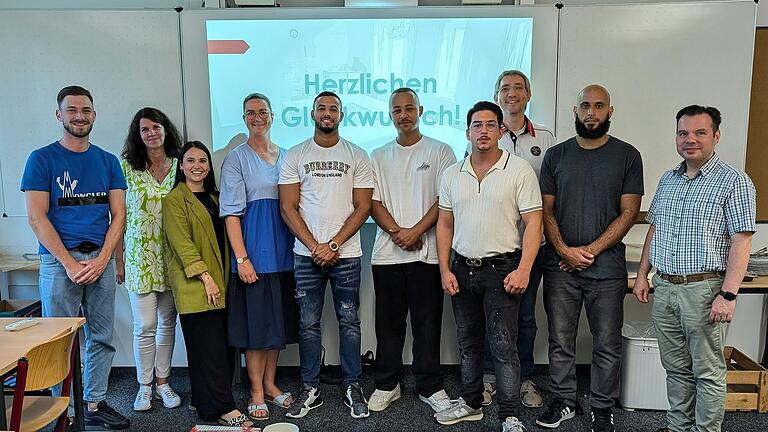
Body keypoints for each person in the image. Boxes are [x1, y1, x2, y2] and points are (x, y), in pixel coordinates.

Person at [634, 105, 756, 432]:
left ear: (716, 136)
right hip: (665, 287)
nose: (691, 140)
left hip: (704, 291)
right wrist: (644, 274)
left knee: (707, 371)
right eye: (683, 133)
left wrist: (728, 295)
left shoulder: (734, 181)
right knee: (675, 369)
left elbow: (741, 242)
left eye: (700, 133)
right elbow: (655, 228)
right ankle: (678, 427)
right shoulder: (669, 179)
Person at [20, 85, 130, 430]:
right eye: (72, 110)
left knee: (101, 337)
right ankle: (62, 409)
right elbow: (38, 217)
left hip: (100, 257)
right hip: (58, 262)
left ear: (94, 115)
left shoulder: (108, 161)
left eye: (86, 110)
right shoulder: (42, 159)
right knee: (59, 340)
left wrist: (104, 261)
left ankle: (94, 402)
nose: (79, 116)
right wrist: (69, 262)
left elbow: (119, 215)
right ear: (59, 115)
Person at [536, 85, 643, 432]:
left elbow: (629, 213)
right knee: (560, 341)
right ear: (575, 110)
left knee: (607, 343)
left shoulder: (628, 156)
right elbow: (545, 211)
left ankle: (601, 407)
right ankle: (564, 401)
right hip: (560, 268)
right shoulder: (555, 156)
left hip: (608, 269)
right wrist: (566, 252)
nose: (591, 112)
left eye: (599, 106)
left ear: (610, 111)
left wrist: (589, 252)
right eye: (585, 105)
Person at [435, 101, 543, 432]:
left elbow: (534, 222)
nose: (483, 131)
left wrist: (524, 268)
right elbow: (444, 225)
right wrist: (444, 269)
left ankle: (509, 415)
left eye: (490, 125)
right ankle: (470, 403)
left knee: (503, 345)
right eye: (477, 125)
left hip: (503, 270)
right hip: (462, 269)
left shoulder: (519, 169)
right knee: (468, 343)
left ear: (500, 130)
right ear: (467, 132)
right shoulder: (453, 173)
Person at [279, 91, 374, 419]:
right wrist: (314, 246)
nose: (327, 113)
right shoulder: (295, 154)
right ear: (312, 113)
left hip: (346, 255)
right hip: (306, 256)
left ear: (341, 115)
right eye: (322, 108)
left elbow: (363, 207)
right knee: (308, 324)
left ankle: (352, 384)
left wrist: (332, 245)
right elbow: (287, 208)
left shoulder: (357, 155)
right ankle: (311, 387)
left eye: (333, 108)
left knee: (349, 321)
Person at [367, 88, 456, 414]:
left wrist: (416, 232)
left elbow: (444, 201)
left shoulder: (441, 151)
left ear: (420, 110)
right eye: (396, 110)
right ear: (390, 115)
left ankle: (429, 385)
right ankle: (387, 384)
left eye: (409, 108)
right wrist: (398, 233)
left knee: (427, 324)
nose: (403, 114)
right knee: (388, 325)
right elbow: (371, 202)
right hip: (387, 255)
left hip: (429, 255)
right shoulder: (377, 155)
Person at [476, 70, 555, 408]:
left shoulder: (547, 138)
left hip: (532, 246)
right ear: (496, 95)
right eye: (505, 88)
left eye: (518, 88)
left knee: (524, 316)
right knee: (490, 315)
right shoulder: (486, 135)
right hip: (494, 246)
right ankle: (491, 378)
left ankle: (522, 379)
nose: (512, 94)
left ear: (529, 93)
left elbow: (551, 194)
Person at [220, 93, 299, 421]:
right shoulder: (237, 158)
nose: (257, 117)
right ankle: (255, 390)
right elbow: (231, 214)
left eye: (263, 112)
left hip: (285, 254)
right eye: (251, 113)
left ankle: (270, 383)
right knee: (255, 331)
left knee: (275, 326)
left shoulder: (286, 156)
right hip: (255, 255)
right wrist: (242, 259)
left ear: (272, 116)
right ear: (244, 118)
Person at [163, 141, 253, 428]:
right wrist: (206, 279)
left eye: (203, 160)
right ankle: (224, 408)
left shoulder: (215, 197)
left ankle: (204, 400)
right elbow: (183, 245)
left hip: (222, 284)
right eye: (190, 160)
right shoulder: (174, 200)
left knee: (218, 348)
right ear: (181, 165)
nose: (197, 166)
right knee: (209, 349)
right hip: (197, 285)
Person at [118, 107, 183, 412]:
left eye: (156, 127)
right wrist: (117, 260)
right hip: (139, 258)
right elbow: (117, 218)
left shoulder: (180, 166)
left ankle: (163, 382)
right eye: (145, 129)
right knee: (144, 326)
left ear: (165, 129)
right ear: (138, 135)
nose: (151, 133)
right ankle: (144, 386)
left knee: (167, 323)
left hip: (172, 258)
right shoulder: (126, 168)